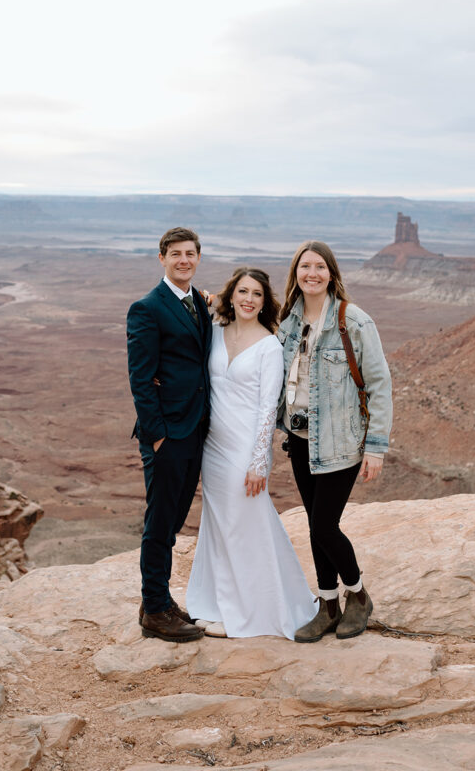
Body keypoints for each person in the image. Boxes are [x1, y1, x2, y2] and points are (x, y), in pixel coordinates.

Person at [186, 267, 316, 639]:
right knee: (219, 524)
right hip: (213, 445)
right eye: (242, 291)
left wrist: (259, 462)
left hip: (245, 449)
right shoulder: (214, 332)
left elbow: (266, 410)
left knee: (243, 526)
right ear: (232, 295)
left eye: (256, 294)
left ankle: (246, 611)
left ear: (265, 301)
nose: (248, 299)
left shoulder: (269, 347)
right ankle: (214, 602)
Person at [277, 241, 392, 642]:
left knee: (325, 525)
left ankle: (357, 596)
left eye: (319, 267)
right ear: (296, 274)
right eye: (304, 267)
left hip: (340, 442)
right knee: (313, 525)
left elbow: (379, 385)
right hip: (300, 438)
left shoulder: (354, 321)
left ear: (331, 273)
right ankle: (327, 605)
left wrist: (375, 447)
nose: (312, 273)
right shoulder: (287, 321)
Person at [126, 227, 212, 643]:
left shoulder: (199, 302)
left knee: (175, 518)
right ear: (161, 258)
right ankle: (156, 611)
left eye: (190, 254)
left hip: (195, 429)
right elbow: (141, 379)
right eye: (175, 254)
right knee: (160, 522)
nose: (183, 260)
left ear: (198, 258)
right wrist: (157, 435)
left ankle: (154, 599)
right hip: (168, 434)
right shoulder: (147, 308)